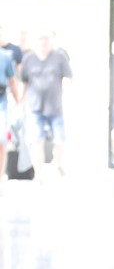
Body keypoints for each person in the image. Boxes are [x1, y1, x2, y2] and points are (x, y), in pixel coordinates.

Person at [19, 31, 72, 175]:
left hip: (55, 107)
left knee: (60, 141)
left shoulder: (59, 57)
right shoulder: (29, 59)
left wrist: (67, 99)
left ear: (51, 40)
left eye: (46, 38)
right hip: (35, 107)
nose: (43, 42)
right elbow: (24, 82)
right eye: (41, 38)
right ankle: (39, 173)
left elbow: (68, 78)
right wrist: (21, 102)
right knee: (37, 141)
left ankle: (58, 162)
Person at [0, 45, 21, 182]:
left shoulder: (5, 56)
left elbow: (12, 82)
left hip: (1, 106)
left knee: (2, 143)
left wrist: (18, 102)